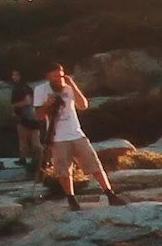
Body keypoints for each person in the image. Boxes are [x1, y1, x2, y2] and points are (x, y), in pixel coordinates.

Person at [33, 65, 117, 208]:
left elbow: (83, 105)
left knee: (94, 165)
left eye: (60, 76)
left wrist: (72, 84)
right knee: (64, 171)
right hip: (58, 137)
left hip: (76, 133)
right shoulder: (40, 90)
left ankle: (110, 194)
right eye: (55, 77)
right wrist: (47, 104)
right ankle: (71, 199)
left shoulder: (68, 86)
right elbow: (38, 116)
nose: (59, 80)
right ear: (48, 77)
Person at [6, 69, 44, 178]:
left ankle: (39, 162)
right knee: (25, 142)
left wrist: (14, 106)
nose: (13, 77)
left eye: (15, 75)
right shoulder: (21, 87)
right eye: (13, 75)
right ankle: (28, 161)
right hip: (27, 117)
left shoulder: (23, 88)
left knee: (33, 143)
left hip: (28, 117)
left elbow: (27, 101)